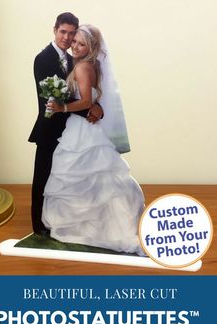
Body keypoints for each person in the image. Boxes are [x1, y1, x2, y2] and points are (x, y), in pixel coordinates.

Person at [42, 24, 145, 255]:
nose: (75, 47)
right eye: (74, 42)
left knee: (81, 174)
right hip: (87, 126)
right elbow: (94, 101)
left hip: (82, 128)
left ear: (91, 48)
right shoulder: (91, 65)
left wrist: (62, 107)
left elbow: (87, 101)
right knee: (90, 179)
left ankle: (87, 226)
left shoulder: (82, 68)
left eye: (81, 44)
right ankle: (92, 222)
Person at [28, 13, 103, 235]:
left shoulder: (74, 60)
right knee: (42, 174)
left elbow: (82, 90)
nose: (67, 37)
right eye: (63, 32)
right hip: (49, 128)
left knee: (65, 177)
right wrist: (90, 108)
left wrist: (98, 107)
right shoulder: (42, 59)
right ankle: (37, 223)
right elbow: (51, 100)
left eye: (72, 33)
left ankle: (64, 218)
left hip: (71, 130)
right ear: (55, 30)